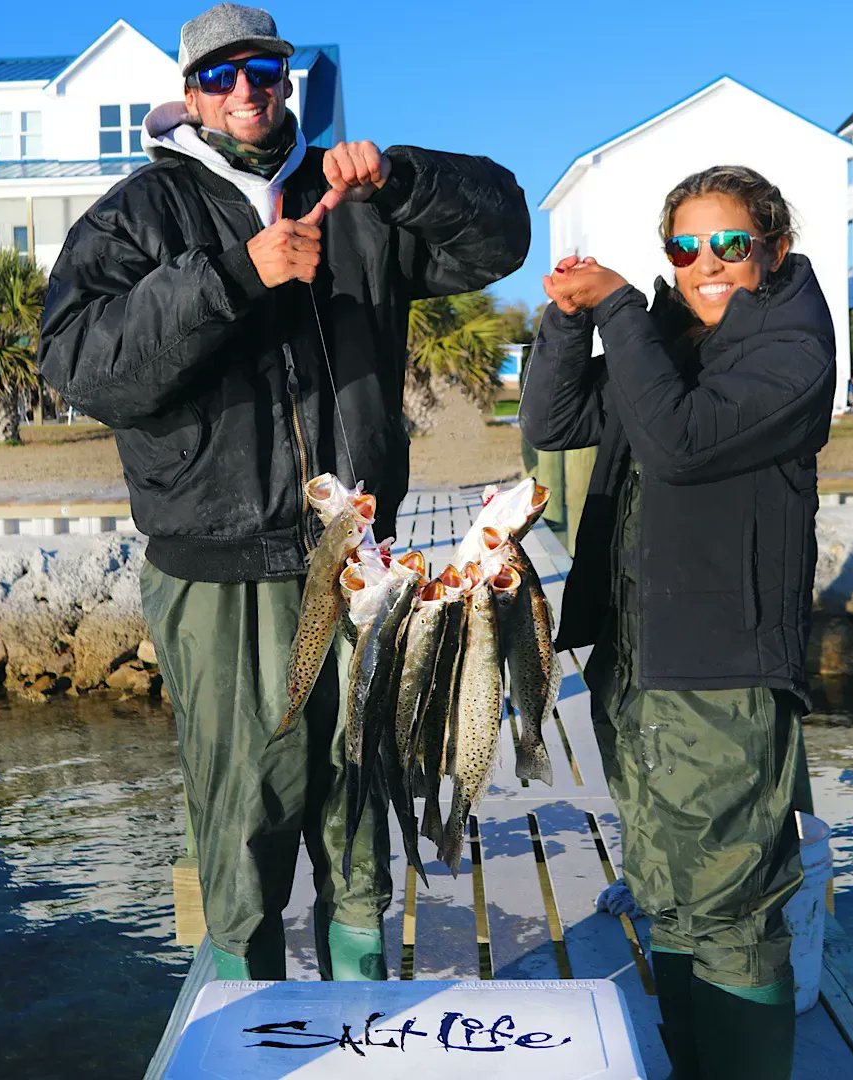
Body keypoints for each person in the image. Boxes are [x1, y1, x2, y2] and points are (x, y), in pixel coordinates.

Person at [38, 3, 529, 983]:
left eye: (263, 70)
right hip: (219, 572)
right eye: (220, 76)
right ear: (189, 97)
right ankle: (241, 1006)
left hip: (360, 568)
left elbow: (501, 238)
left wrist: (406, 179)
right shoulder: (137, 214)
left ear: (286, 80)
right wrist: (232, 276)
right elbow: (81, 365)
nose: (246, 89)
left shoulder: (361, 199)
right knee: (244, 813)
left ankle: (362, 997)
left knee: (357, 798)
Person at [519, 165, 835, 1079]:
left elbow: (683, 443)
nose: (707, 263)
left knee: (731, 912)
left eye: (730, 243)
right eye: (685, 247)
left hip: (722, 675)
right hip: (638, 665)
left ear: (774, 249)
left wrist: (619, 304)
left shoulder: (792, 352)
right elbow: (554, 417)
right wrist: (569, 321)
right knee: (667, 893)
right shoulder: (670, 345)